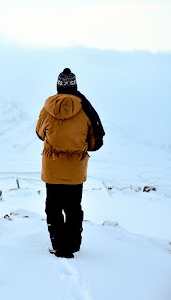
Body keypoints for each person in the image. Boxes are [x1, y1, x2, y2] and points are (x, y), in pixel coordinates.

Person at [36, 68, 104, 258]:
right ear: (75, 86)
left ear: (58, 86)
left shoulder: (48, 108)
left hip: (52, 169)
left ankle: (59, 246)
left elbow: (39, 133)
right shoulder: (85, 110)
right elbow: (95, 143)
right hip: (75, 171)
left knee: (53, 208)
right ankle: (73, 244)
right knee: (74, 208)